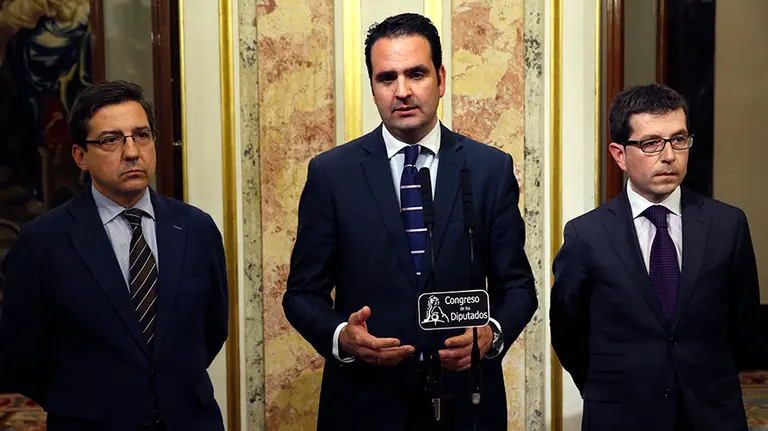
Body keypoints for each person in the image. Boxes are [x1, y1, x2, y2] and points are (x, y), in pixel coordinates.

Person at [283, 13, 537, 431]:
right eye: (387, 78)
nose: (402, 91)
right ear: (373, 86)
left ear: (440, 78)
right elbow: (301, 294)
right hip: (366, 402)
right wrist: (342, 336)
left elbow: (518, 287)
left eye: (416, 74)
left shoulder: (489, 168)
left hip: (466, 403)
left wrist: (492, 332)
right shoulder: (332, 174)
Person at [0, 80, 228, 431]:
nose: (132, 151)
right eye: (111, 140)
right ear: (80, 156)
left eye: (142, 135)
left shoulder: (196, 228)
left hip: (189, 420)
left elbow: (213, 328)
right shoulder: (43, 241)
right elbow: (21, 357)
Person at [550, 84, 760, 431]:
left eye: (678, 140)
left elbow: (745, 324)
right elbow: (569, 332)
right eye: (651, 143)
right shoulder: (586, 235)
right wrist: (610, 387)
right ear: (619, 154)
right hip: (621, 415)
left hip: (711, 413)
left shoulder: (727, 224)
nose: (669, 156)